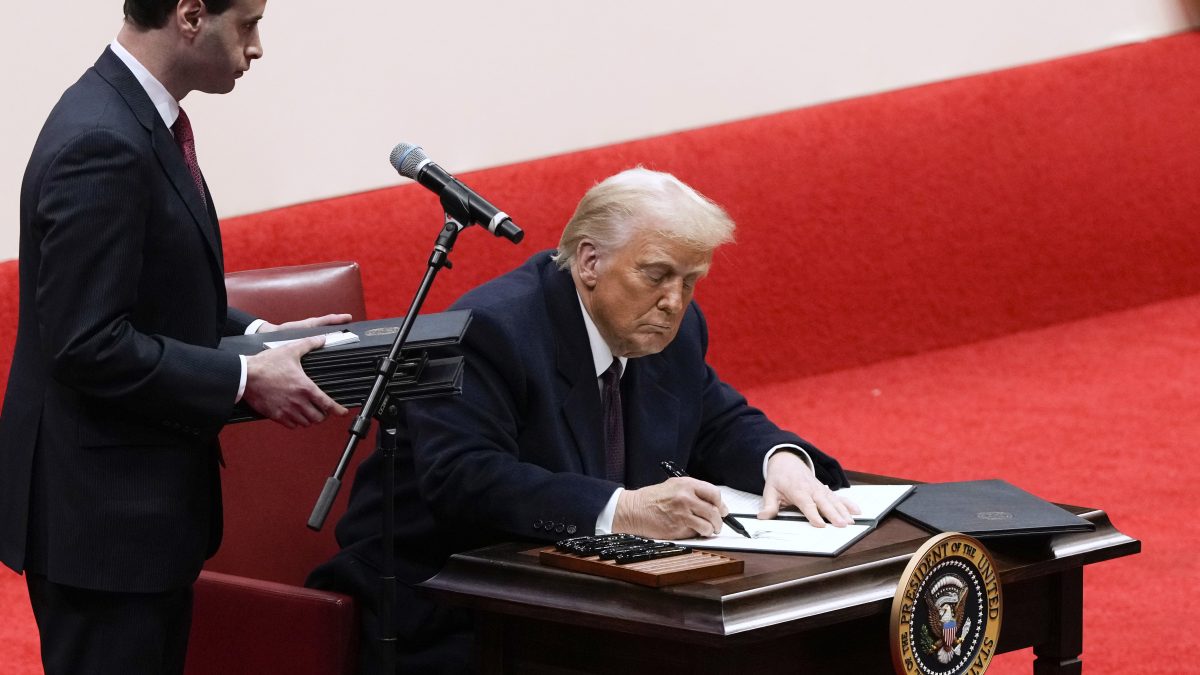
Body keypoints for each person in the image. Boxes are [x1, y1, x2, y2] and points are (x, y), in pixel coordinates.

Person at [308, 167, 860, 673]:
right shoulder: (490, 332)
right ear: (590, 262)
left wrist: (781, 461)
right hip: (445, 606)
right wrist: (623, 510)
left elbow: (716, 419)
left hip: (585, 600)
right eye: (658, 275)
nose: (675, 301)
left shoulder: (668, 329)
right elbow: (465, 477)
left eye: (691, 281)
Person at [0, 1, 350, 673]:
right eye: (247, 23)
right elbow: (87, 342)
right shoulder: (101, 138)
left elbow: (150, 294)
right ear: (191, 15)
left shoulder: (136, 117)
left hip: (136, 518)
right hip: (102, 528)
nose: (257, 48)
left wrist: (257, 332)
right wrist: (248, 378)